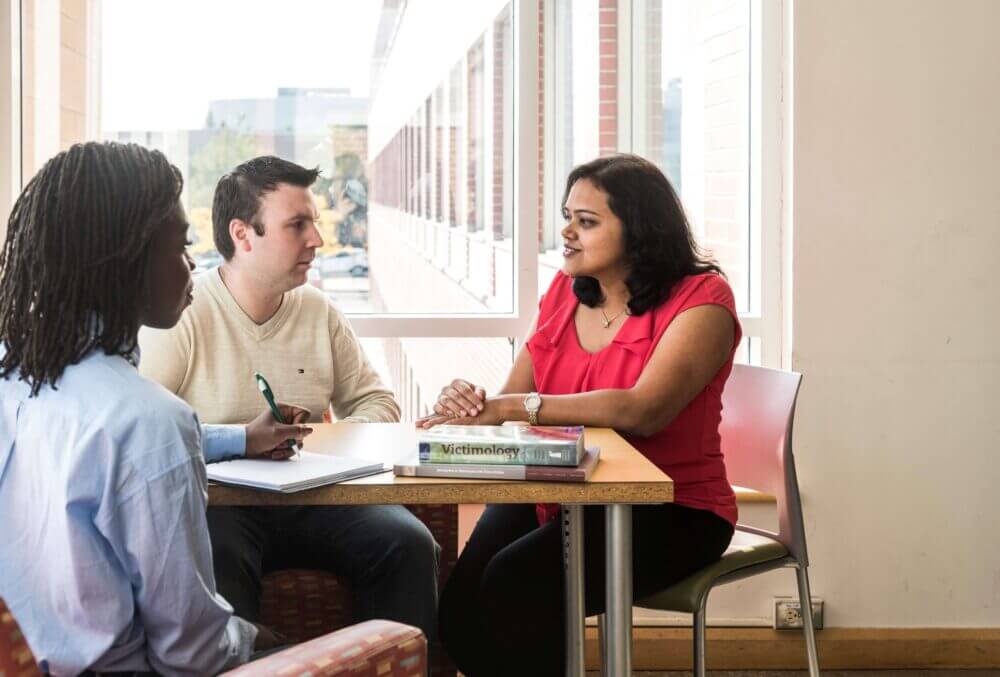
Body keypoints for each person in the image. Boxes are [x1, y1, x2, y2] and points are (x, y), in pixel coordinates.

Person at [422, 154, 741, 676]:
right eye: (568, 216)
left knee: (516, 584)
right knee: (457, 611)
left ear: (639, 231)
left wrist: (509, 407)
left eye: (586, 222)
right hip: (563, 490)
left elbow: (644, 410)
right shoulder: (563, 294)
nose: (567, 232)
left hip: (672, 507)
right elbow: (512, 401)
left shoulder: (702, 300)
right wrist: (471, 405)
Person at [0, 142, 283, 675]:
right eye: (180, 244)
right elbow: (191, 657)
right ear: (125, 260)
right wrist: (251, 637)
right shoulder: (148, 422)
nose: (192, 262)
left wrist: (242, 437)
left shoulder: (15, 373)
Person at [138, 156, 440, 643]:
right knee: (213, 552)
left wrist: (324, 438)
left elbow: (377, 403)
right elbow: (144, 428)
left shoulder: (319, 310)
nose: (317, 240)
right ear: (243, 234)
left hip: (317, 495)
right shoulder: (185, 315)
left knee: (408, 542)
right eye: (297, 225)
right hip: (223, 504)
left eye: (314, 224)